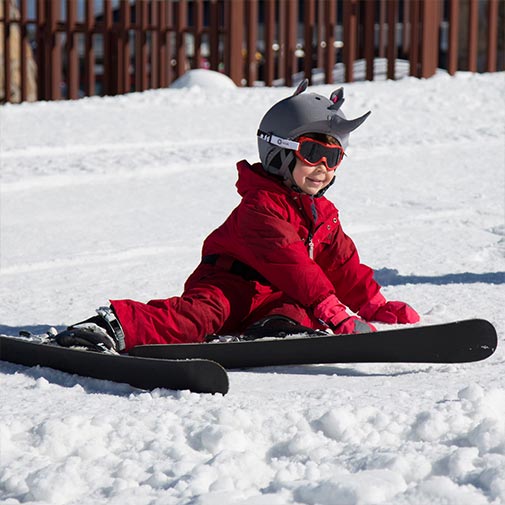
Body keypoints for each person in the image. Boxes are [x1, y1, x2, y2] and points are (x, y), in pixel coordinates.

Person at [56, 80, 420, 354]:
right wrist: (332, 309)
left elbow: (342, 263)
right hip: (227, 285)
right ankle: (109, 325)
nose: (323, 168)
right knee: (196, 320)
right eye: (312, 153)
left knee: (297, 309)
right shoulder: (261, 206)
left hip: (273, 294)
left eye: (333, 158)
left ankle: (274, 327)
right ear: (279, 152)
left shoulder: (322, 213)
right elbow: (292, 262)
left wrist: (375, 305)